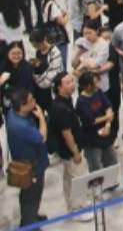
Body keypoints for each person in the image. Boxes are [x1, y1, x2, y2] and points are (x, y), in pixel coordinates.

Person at [6, 88, 49, 227]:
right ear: (22, 106)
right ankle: (30, 224)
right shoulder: (21, 126)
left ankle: (31, 217)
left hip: (29, 160)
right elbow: (42, 137)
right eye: (31, 101)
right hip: (31, 166)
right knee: (32, 195)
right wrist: (41, 117)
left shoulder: (12, 114)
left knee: (28, 196)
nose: (34, 102)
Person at [49, 72, 90, 220]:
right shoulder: (60, 107)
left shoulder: (67, 100)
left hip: (70, 148)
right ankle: (77, 209)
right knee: (77, 177)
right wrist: (75, 152)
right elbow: (66, 133)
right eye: (67, 83)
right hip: (69, 150)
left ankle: (73, 205)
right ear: (59, 88)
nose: (72, 84)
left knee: (69, 177)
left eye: (72, 81)